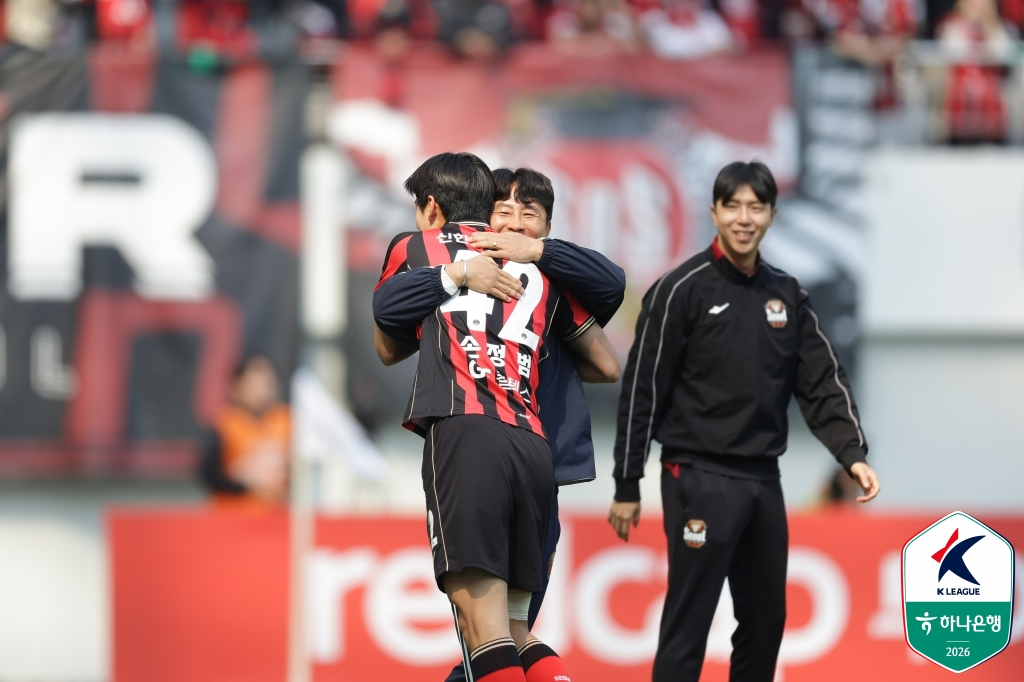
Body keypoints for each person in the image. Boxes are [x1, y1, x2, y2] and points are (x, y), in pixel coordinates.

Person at [607, 161, 880, 682]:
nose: (744, 217)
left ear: (773, 215)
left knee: (765, 622)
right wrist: (627, 482)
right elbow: (643, 387)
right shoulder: (679, 289)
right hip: (697, 476)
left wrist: (853, 454)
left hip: (763, 481)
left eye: (756, 207)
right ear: (714, 211)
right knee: (690, 620)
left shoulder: (787, 296)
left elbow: (822, 379)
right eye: (733, 205)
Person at [374, 152, 621, 682]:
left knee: (481, 634)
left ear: (432, 207)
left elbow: (385, 336)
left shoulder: (418, 247)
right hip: (535, 448)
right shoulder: (540, 272)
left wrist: (454, 278)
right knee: (516, 632)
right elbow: (607, 359)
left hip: (467, 437)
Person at [198, 355, 291, 509]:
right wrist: (243, 485)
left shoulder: (286, 421)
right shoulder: (224, 423)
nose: (262, 390)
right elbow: (208, 473)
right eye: (254, 383)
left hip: (277, 518)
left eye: (267, 383)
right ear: (236, 386)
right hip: (234, 519)